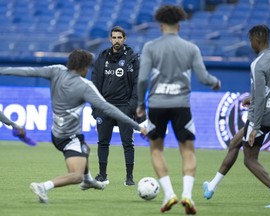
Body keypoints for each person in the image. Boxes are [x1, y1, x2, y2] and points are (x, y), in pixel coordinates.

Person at [0, 49, 147, 203]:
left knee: (86, 149)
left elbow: (28, 71)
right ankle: (44, 186)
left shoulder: (56, 70)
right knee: (76, 175)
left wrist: (2, 70)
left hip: (56, 134)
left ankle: (88, 180)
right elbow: (108, 108)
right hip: (69, 138)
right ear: (84, 67)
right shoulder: (85, 86)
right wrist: (137, 126)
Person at [136, 5, 221, 215]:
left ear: (160, 25)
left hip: (157, 105)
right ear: (179, 26)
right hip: (181, 105)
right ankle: (188, 195)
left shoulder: (150, 47)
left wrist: (140, 103)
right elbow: (203, 77)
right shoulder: (191, 48)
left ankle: (168, 194)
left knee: (156, 149)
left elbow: (143, 78)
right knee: (188, 151)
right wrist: (215, 82)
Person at [204, 25, 270, 208]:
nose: (250, 44)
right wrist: (254, 96)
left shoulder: (258, 63)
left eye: (251, 41)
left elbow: (259, 101)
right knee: (235, 142)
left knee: (250, 160)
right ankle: (211, 186)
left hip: (260, 117)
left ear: (256, 39)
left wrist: (255, 126)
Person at [91, 26, 139, 186]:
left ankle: (129, 177)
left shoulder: (132, 58)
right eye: (114, 37)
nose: (116, 40)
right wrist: (96, 107)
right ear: (110, 39)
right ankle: (102, 175)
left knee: (128, 143)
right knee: (102, 142)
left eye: (120, 37)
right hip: (104, 107)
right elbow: (95, 83)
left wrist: (131, 106)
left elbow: (137, 84)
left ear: (124, 39)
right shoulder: (102, 58)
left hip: (124, 107)